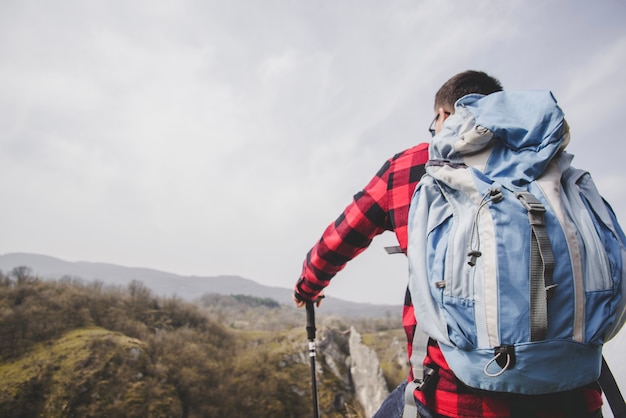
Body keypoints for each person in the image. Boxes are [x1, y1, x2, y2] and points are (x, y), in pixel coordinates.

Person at [293, 70, 604, 417]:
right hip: (573, 396)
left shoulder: (411, 166)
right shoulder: (551, 165)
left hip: (455, 399)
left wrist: (308, 285)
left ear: (444, 115)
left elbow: (339, 237)